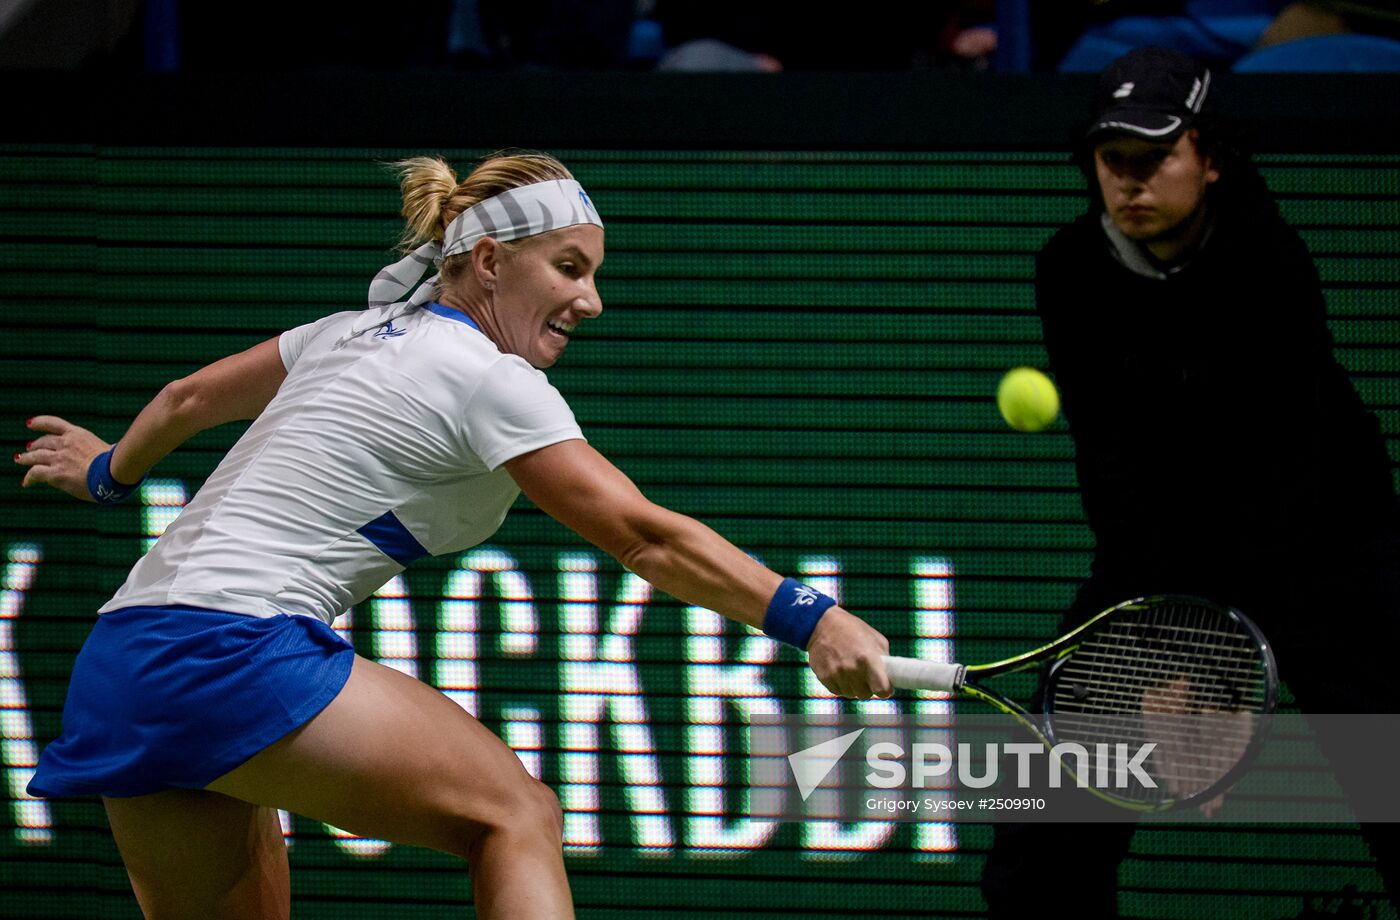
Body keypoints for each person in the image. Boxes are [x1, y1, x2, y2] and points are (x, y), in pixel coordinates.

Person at [16, 150, 893, 920]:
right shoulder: (487, 377)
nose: (592, 300)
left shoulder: (342, 333)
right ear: (486, 261)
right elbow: (643, 537)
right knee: (516, 815)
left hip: (121, 662)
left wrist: (107, 475)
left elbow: (184, 400)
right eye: (569, 267)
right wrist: (810, 619)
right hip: (232, 650)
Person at [978, 47, 1400, 918]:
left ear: (1208, 158)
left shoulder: (1267, 262)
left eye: (1154, 158)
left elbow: (1284, 476)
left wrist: (1218, 685)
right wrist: (1168, 654)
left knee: (1392, 776)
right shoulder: (1069, 271)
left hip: (1326, 548)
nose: (1130, 183)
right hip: (1153, 558)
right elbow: (1118, 474)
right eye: (1112, 162)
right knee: (1043, 819)